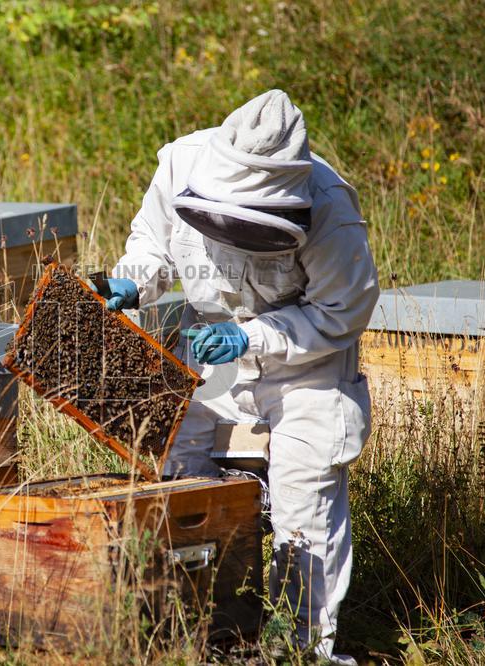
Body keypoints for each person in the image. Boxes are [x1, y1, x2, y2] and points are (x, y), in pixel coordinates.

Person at [96, 89, 378, 663]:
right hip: (212, 345)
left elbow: (340, 313)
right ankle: (202, 627)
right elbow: (154, 241)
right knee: (181, 475)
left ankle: (301, 649)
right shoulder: (181, 163)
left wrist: (251, 336)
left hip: (307, 364)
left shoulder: (328, 209)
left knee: (303, 496)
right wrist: (135, 280)